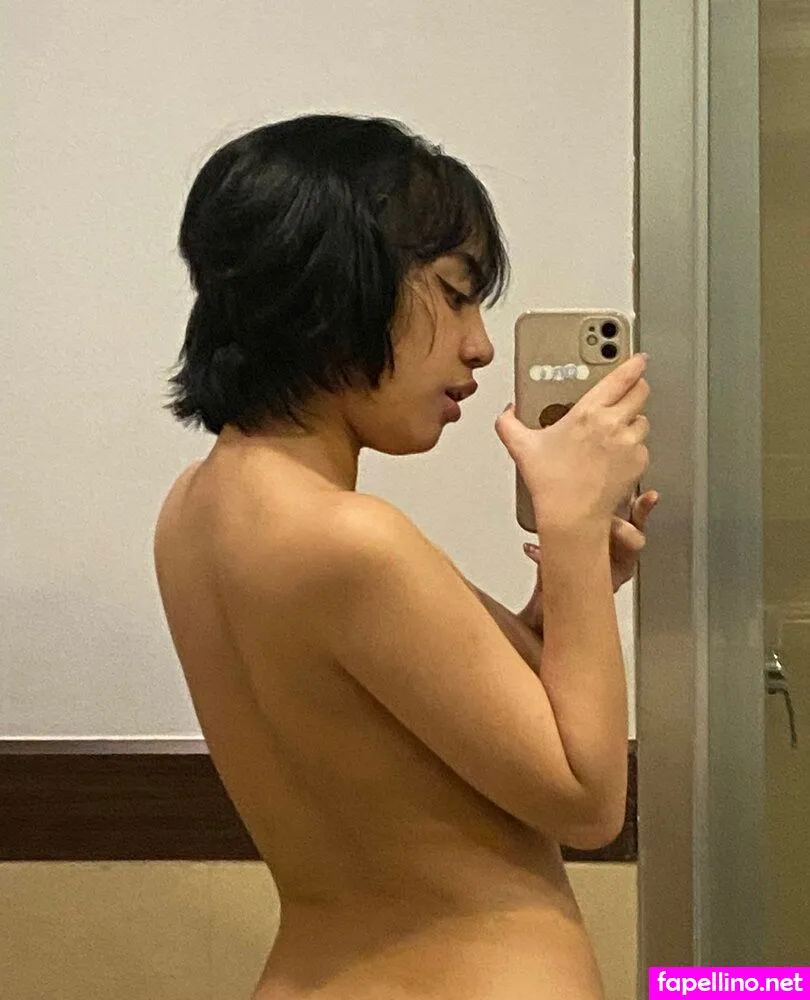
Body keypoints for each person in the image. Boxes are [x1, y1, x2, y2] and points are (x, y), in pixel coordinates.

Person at [153, 113, 651, 1000]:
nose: (480, 345)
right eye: (456, 295)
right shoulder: (349, 540)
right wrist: (572, 529)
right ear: (338, 283)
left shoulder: (195, 510)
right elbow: (586, 801)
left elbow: (425, 733)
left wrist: (566, 592)